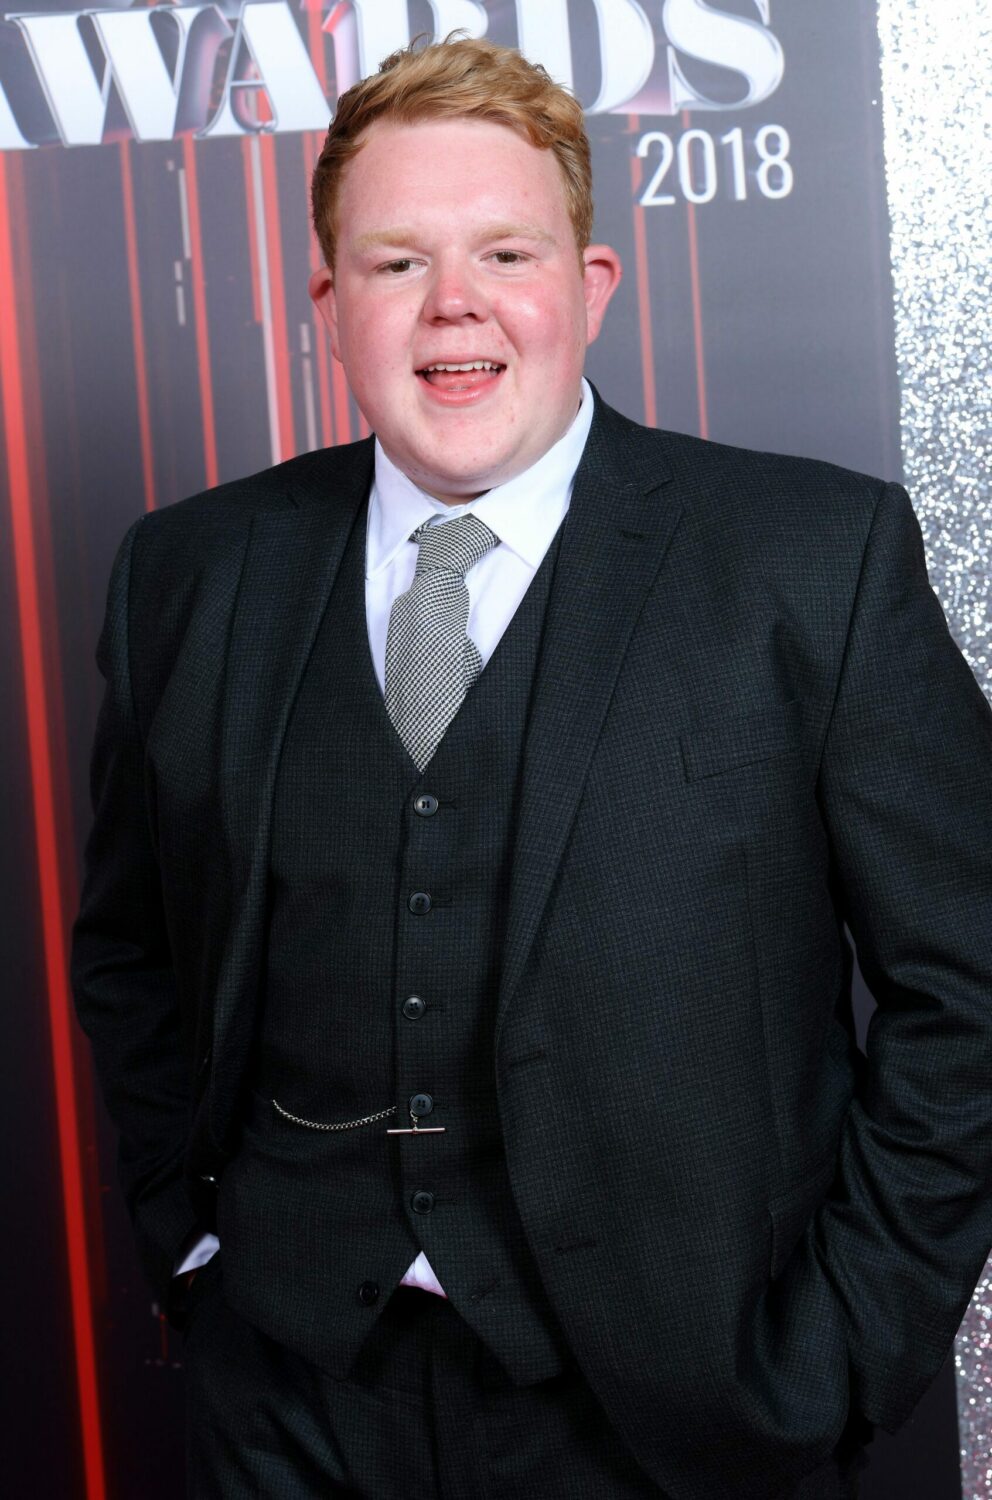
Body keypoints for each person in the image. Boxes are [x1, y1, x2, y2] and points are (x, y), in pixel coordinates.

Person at [71, 35, 992, 1500]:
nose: (456, 306)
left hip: (683, 1415)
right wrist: (190, 1244)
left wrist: (841, 1346)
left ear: (591, 286)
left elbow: (972, 987)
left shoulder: (812, 561)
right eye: (394, 264)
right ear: (329, 307)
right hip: (291, 1406)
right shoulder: (187, 577)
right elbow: (128, 952)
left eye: (507, 250)